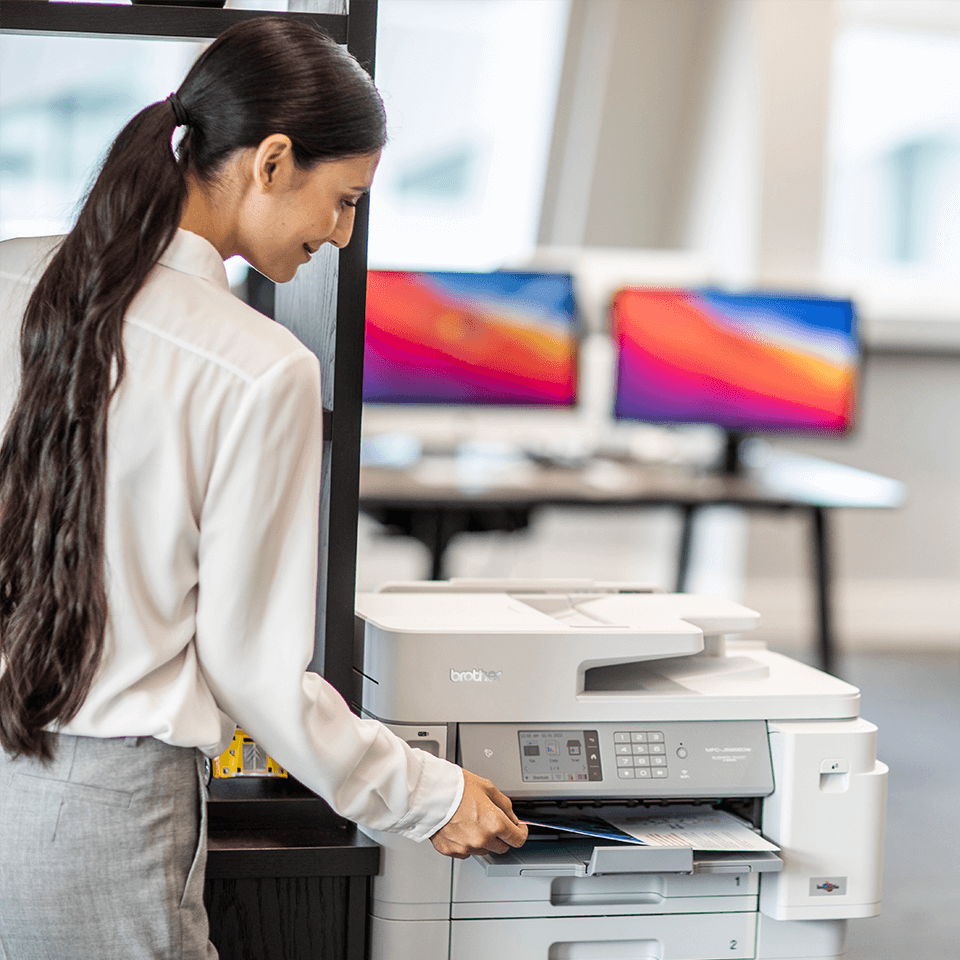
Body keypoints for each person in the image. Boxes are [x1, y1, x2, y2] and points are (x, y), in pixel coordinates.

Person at [0, 17, 526, 959]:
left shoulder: (10, 279)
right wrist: (429, 794)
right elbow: (254, 669)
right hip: (101, 807)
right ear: (272, 160)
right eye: (345, 199)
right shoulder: (259, 365)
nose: (344, 232)